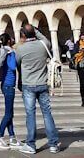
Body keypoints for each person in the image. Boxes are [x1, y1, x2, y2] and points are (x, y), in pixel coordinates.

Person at [15, 24, 60, 154]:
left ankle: (31, 144)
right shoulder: (44, 44)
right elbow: (44, 38)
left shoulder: (20, 49)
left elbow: (17, 64)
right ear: (34, 33)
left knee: (30, 114)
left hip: (28, 85)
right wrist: (35, 30)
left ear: (23, 35)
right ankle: (53, 144)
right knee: (47, 113)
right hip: (43, 83)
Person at [0, 34, 21, 150]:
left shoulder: (3, 51)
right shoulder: (8, 53)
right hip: (8, 85)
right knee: (8, 114)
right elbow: (13, 66)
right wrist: (14, 54)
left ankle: (12, 137)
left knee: (10, 113)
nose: (14, 40)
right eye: (12, 39)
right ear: (9, 41)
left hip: (6, 84)